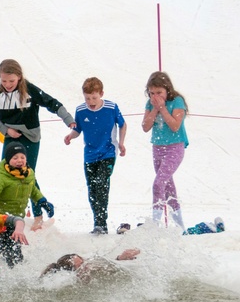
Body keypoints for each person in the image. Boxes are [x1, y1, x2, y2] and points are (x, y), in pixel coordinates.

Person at [0, 59, 74, 229]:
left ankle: (38, 214)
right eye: (4, 81)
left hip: (30, 138)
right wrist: (6, 130)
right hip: (11, 137)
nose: (8, 84)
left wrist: (68, 120)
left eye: (11, 81)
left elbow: (51, 102)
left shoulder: (29, 90)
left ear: (19, 77)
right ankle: (5, 213)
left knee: (27, 173)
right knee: (7, 173)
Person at [64, 77, 126, 235]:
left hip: (108, 153)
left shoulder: (111, 108)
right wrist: (71, 135)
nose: (91, 101)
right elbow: (78, 129)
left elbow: (122, 124)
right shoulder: (81, 110)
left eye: (94, 97)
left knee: (101, 184)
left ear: (101, 94)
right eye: (87, 98)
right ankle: (97, 222)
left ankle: (101, 223)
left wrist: (121, 142)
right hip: (90, 155)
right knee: (92, 190)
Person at [141, 70, 188, 228]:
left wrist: (162, 108)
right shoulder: (150, 104)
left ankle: (154, 224)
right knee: (168, 188)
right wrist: (155, 108)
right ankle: (180, 227)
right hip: (158, 148)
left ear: (168, 89)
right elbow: (145, 127)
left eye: (159, 92)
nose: (155, 97)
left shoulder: (177, 101)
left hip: (175, 148)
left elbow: (175, 126)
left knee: (158, 183)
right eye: (152, 93)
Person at [0, 141, 42, 222]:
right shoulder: (0, 177)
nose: (19, 160)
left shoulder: (28, 174)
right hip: (1, 218)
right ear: (8, 160)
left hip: (18, 219)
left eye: (22, 157)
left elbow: (32, 189)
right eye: (15, 158)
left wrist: (41, 200)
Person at [42, 248, 140, 282]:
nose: (85, 264)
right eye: (80, 265)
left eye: (83, 261)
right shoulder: (72, 282)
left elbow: (107, 265)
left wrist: (120, 258)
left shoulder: (91, 267)